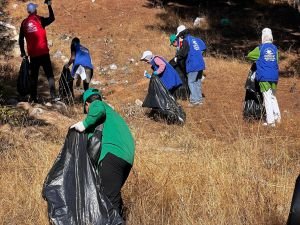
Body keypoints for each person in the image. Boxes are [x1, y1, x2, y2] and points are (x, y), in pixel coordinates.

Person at [71, 88, 135, 216]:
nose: (88, 113)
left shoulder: (98, 105)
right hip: (126, 159)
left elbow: (98, 108)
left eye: (86, 109)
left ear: (87, 104)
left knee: (108, 204)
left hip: (111, 155)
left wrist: (84, 124)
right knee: (112, 198)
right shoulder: (112, 117)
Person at [19, 1, 59, 102]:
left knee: (34, 77)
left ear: (28, 11)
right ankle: (53, 96)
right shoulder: (40, 19)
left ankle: (33, 98)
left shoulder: (24, 23)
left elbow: (20, 39)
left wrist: (23, 52)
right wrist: (49, 5)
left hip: (33, 55)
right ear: (35, 10)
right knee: (49, 74)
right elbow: (52, 18)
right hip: (44, 53)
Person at [247, 28, 281, 127]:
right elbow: (277, 61)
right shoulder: (275, 49)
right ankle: (277, 117)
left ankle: (270, 122)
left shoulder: (260, 48)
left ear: (262, 37)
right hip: (274, 77)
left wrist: (257, 60)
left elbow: (249, 56)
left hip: (264, 77)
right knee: (273, 96)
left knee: (266, 98)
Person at [175, 25, 207, 107]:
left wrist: (177, 57)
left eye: (180, 35)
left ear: (182, 34)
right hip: (200, 63)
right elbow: (204, 47)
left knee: (191, 82)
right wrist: (198, 54)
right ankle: (199, 100)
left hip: (193, 64)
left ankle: (194, 101)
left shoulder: (186, 41)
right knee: (197, 81)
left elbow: (182, 53)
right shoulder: (196, 39)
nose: (180, 37)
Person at [169, 34, 189, 100]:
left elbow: (181, 57)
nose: (173, 46)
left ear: (175, 41)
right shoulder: (179, 46)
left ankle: (186, 95)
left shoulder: (182, 45)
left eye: (172, 44)